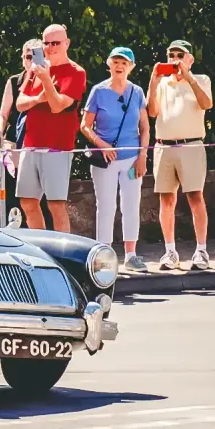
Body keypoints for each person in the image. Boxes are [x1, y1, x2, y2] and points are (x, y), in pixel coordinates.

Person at [146, 40, 214, 271]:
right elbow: (152, 111)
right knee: (166, 200)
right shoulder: (163, 83)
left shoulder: (201, 79)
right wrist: (153, 82)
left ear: (190, 59)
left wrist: (189, 77)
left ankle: (201, 250)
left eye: (180, 55)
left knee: (195, 197)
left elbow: (207, 103)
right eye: (171, 55)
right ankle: (170, 251)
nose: (175, 59)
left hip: (191, 145)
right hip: (164, 146)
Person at [81, 47, 150, 272]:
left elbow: (145, 127)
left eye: (124, 62)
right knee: (106, 205)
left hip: (131, 159)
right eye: (116, 61)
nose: (120, 66)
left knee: (131, 203)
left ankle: (131, 255)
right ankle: (104, 256)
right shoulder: (98, 91)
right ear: (109, 64)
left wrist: (142, 155)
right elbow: (85, 126)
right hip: (106, 160)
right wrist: (102, 145)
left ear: (131, 67)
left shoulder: (137, 92)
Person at [15, 24, 87, 232]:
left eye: (55, 43)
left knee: (56, 205)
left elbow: (57, 107)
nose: (50, 47)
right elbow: (20, 103)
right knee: (27, 202)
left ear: (67, 43)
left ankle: (62, 248)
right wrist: (38, 99)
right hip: (31, 144)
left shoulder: (76, 72)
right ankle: (41, 246)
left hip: (58, 146)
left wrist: (46, 80)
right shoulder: (36, 69)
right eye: (46, 43)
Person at [0, 39, 39, 219]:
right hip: (15, 143)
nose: (30, 61)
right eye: (27, 57)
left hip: (39, 144)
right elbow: (3, 114)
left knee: (38, 198)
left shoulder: (49, 81)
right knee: (12, 194)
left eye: (35, 56)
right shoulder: (14, 81)